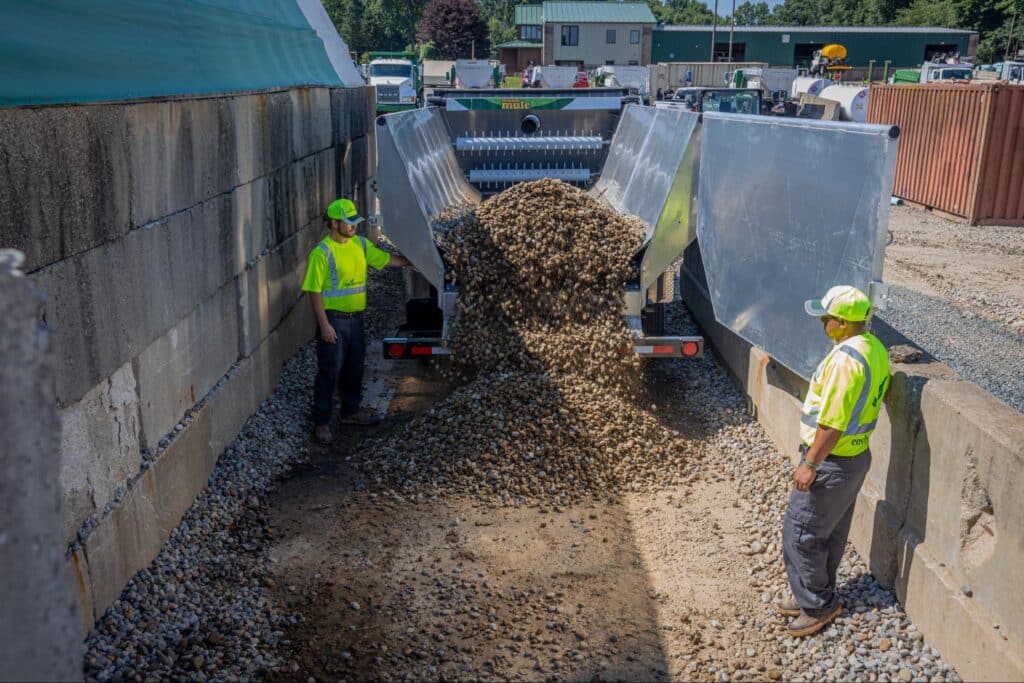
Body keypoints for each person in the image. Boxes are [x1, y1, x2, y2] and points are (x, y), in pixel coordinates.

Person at [777, 285, 891, 637]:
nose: (822, 323)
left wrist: (810, 463)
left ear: (842, 323)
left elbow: (832, 424)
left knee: (801, 533)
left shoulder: (845, 361)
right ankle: (815, 592)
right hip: (855, 458)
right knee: (830, 532)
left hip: (831, 461)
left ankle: (818, 606)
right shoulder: (874, 349)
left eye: (826, 318)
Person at [302, 198, 410, 444]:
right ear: (333, 223)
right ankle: (322, 422)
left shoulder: (360, 245)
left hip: (356, 320)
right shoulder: (322, 252)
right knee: (330, 371)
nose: (353, 226)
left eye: (354, 222)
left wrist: (411, 261)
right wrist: (324, 325)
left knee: (354, 367)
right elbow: (313, 290)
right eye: (348, 222)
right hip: (334, 321)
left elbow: (385, 260)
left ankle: (350, 411)